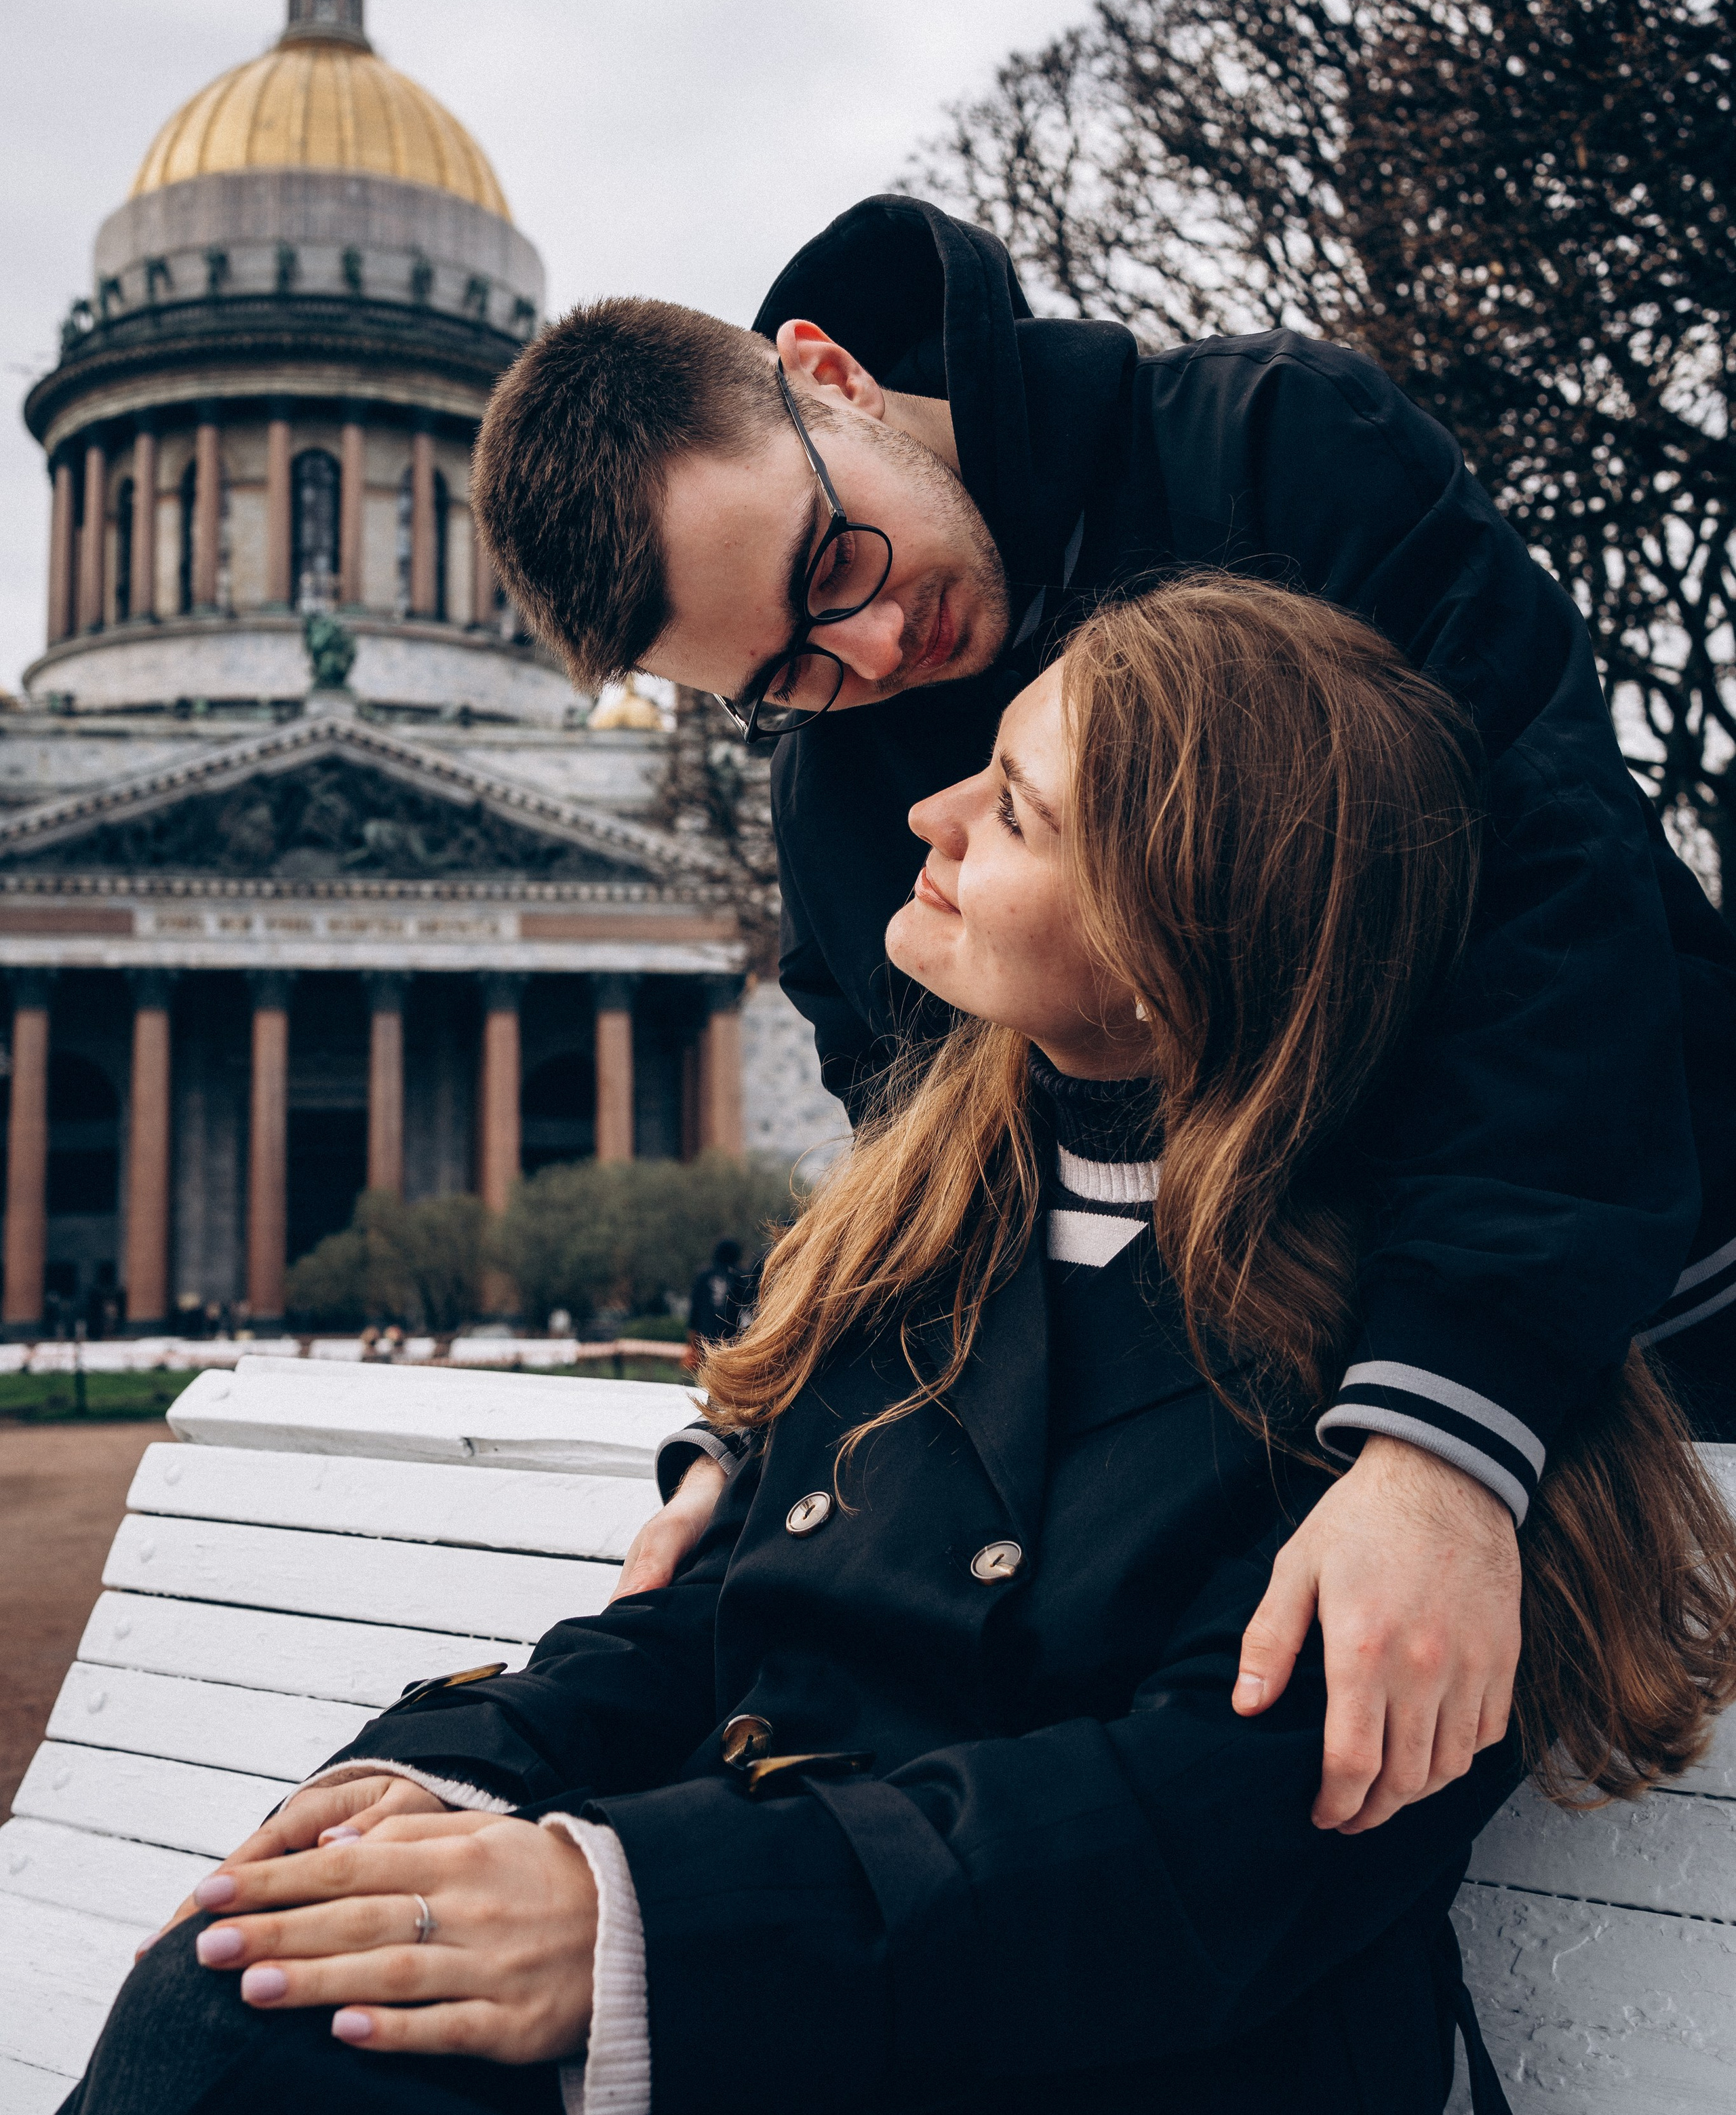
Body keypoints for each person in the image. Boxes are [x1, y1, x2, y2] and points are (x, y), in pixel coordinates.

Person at [12, 579, 1735, 2115]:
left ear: (1170, 933)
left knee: (243, 2055)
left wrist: (630, 1926)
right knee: (249, 1973)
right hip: (820, 2054)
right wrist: (447, 1778)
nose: (928, 812)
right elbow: (707, 1622)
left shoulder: (1410, 1374)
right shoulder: (927, 1219)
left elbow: (1185, 1847)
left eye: (1016, 807)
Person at [471, 195, 1736, 1835]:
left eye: (831, 561)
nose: (874, 651)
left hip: (1629, 1302)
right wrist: (776, 1436)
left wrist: (1445, 1426)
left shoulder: (1278, 448)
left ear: (829, 375)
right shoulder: (836, 795)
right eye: (786, 672)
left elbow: (1550, 915)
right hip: (1265, 1410)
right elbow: (931, 1175)